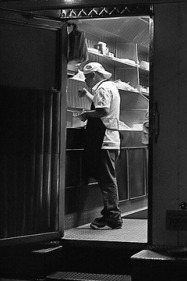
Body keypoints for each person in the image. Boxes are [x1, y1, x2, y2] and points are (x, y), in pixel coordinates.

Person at [77, 62, 123, 230]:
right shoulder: (109, 87)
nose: (86, 80)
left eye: (87, 77)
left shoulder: (103, 89)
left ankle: (113, 216)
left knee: (107, 180)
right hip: (111, 139)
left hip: (105, 140)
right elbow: (102, 105)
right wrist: (89, 95)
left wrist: (86, 114)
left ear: (95, 75)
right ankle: (108, 213)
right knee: (106, 179)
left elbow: (102, 111)